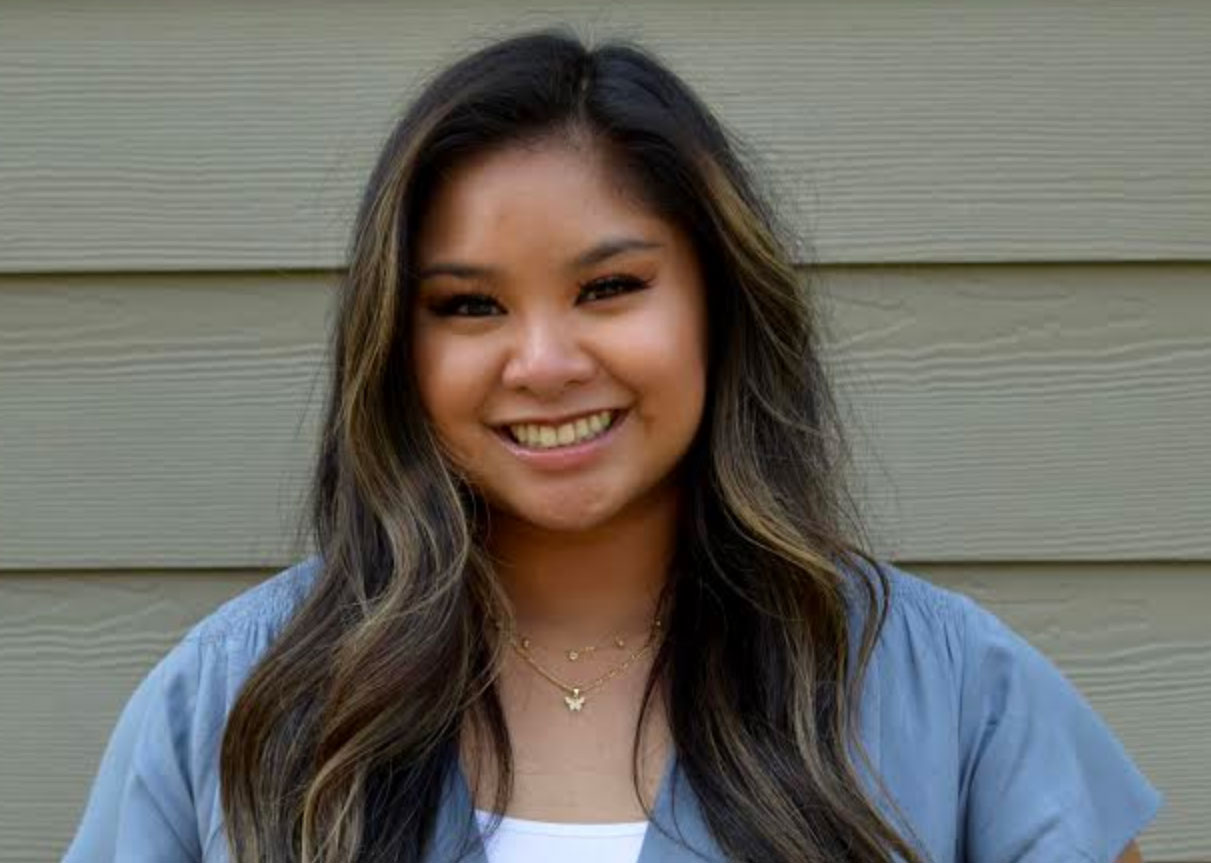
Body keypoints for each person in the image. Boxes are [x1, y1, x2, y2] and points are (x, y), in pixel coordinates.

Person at [63, 27, 1162, 863]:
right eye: (468, 306)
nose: (543, 362)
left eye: (608, 288)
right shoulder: (235, 702)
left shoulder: (954, 696)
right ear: (398, 346)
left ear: (718, 306)